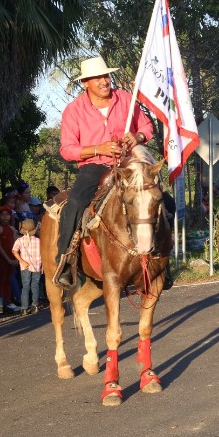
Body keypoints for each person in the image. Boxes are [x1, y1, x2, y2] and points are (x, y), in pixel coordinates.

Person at [54, 55, 154, 288]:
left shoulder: (126, 100)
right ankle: (66, 260)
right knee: (76, 203)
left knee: (160, 198)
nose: (103, 81)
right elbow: (67, 149)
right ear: (85, 83)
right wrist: (97, 148)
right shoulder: (73, 110)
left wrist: (137, 136)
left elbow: (146, 127)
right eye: (96, 77)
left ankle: (161, 259)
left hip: (129, 163)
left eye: (105, 75)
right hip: (95, 165)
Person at [12, 219, 41, 316]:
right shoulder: (38, 240)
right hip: (37, 266)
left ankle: (24, 308)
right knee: (35, 285)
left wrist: (22, 261)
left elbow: (14, 251)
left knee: (25, 287)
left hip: (25, 266)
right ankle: (35, 305)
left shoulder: (19, 240)